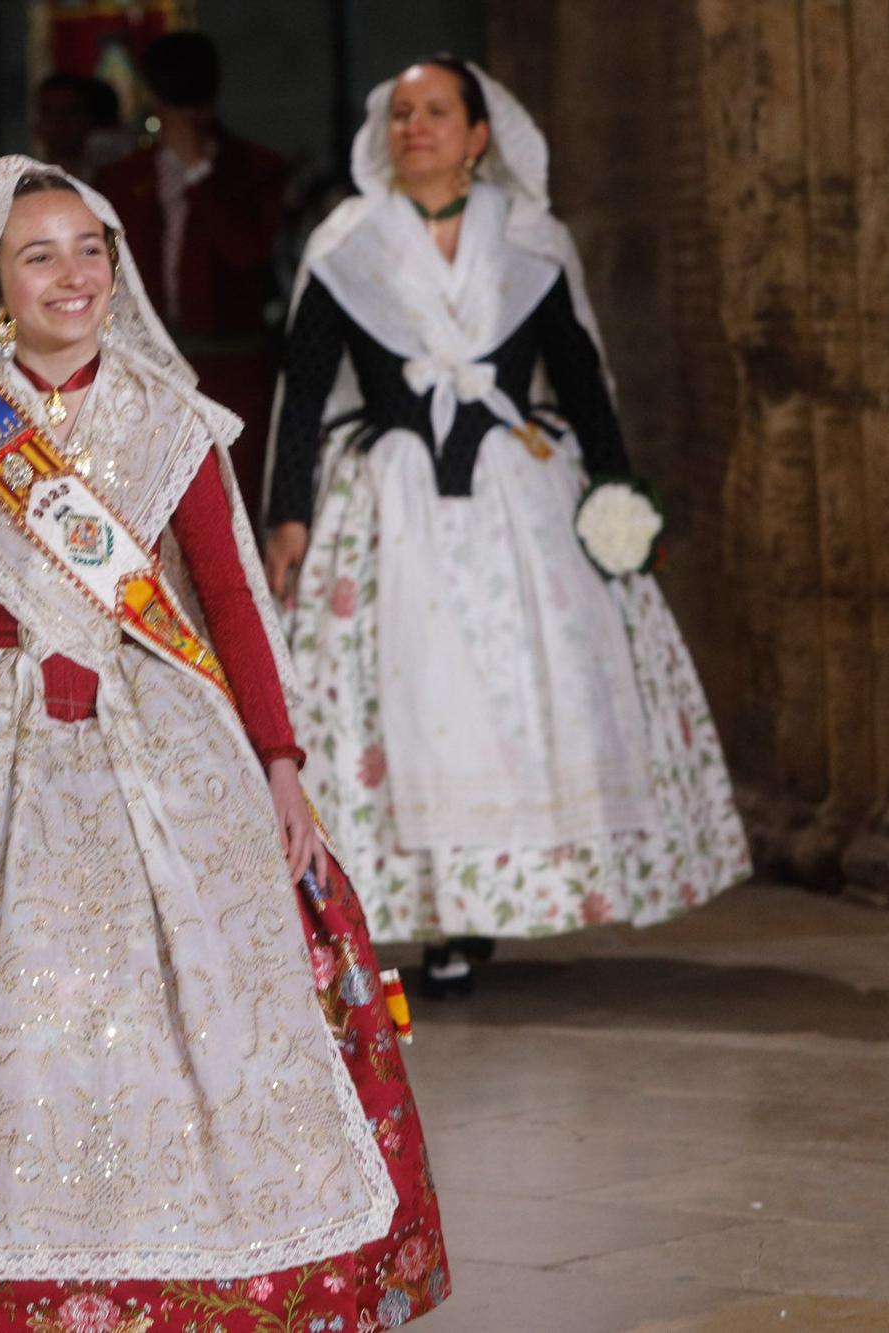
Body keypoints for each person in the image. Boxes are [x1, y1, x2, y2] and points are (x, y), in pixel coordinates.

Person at [0, 157, 448, 1331]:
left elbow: (229, 596)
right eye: (39, 255)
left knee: (193, 988)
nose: (73, 274)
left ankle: (204, 1251)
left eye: (90, 249)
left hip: (155, 725)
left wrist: (279, 761)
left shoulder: (172, 420)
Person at [262, 59, 751, 997]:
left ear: (480, 134)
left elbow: (575, 374)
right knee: (408, 693)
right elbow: (308, 383)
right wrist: (291, 513)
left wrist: (616, 495)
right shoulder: (347, 246)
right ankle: (433, 910)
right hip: (392, 502)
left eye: (437, 111)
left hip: (518, 502)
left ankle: (506, 895)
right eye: (401, 113)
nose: (416, 127)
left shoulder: (531, 240)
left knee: (524, 687)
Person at [99, 31, 287, 515]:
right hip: (150, 366)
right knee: (150, 503)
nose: (185, 115)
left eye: (194, 101)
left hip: (234, 365)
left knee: (234, 501)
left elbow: (247, 252)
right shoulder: (123, 177)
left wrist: (200, 170)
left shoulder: (257, 168)